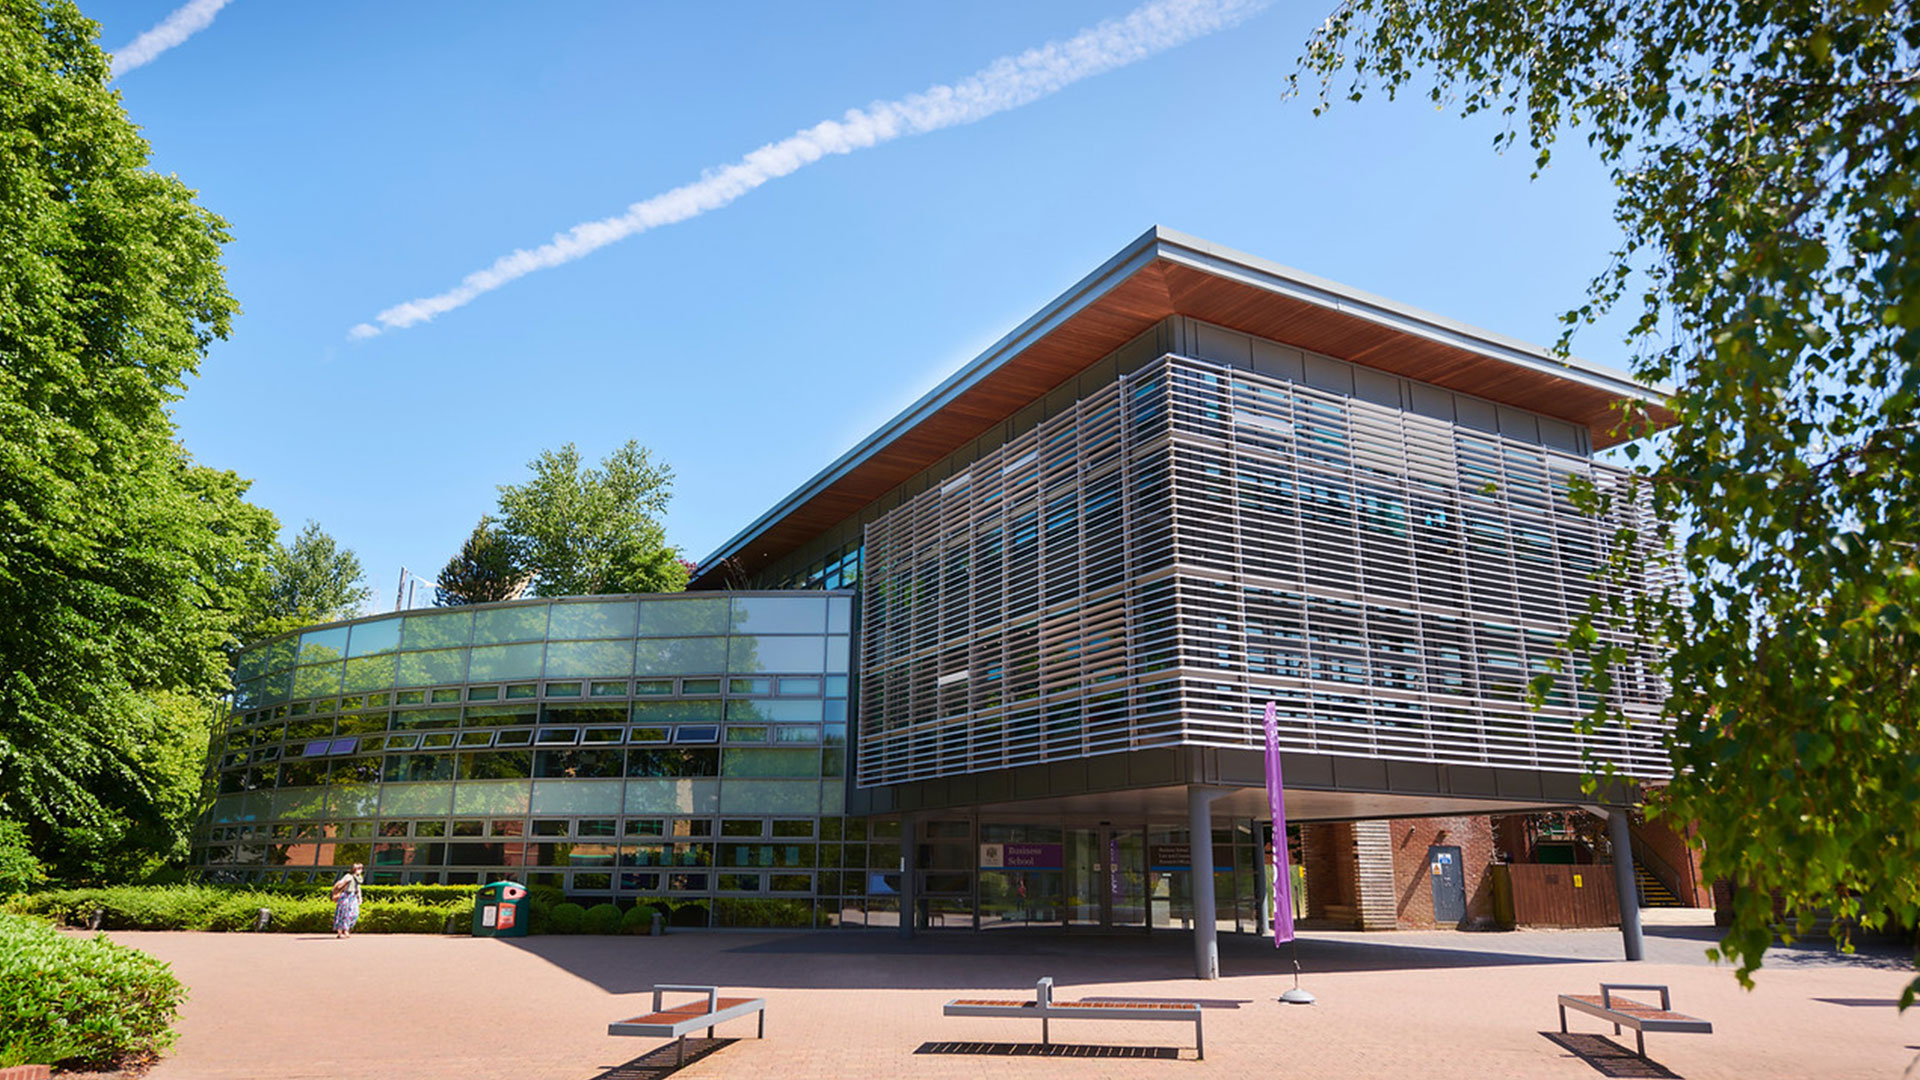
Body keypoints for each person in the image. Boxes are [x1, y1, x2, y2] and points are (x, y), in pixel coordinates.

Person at [330, 862, 364, 939]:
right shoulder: (348, 876)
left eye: (361, 868)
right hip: (345, 896)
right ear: (354, 869)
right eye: (359, 868)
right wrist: (345, 882)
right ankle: (342, 931)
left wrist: (360, 898)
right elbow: (339, 885)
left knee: (354, 914)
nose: (360, 870)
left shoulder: (358, 878)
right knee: (344, 914)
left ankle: (346, 929)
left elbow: (358, 888)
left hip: (353, 897)